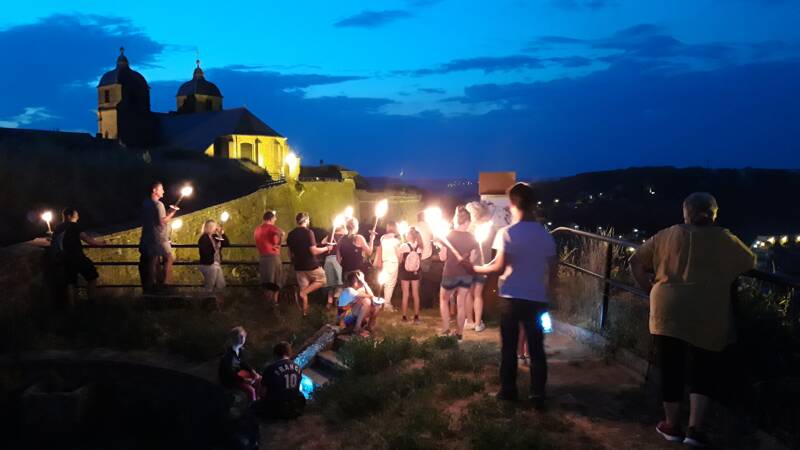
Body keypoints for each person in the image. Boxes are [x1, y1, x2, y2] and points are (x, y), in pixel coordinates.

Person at [630, 192, 755, 447]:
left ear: (685, 212)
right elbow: (749, 261)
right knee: (704, 368)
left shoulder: (666, 235)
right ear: (714, 214)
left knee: (671, 367)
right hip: (707, 312)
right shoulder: (724, 239)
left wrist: (649, 289)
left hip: (667, 308)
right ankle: (695, 430)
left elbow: (635, 261)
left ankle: (671, 425)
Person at [468, 183, 557, 408]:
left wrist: (476, 268)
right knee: (537, 348)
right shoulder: (545, 235)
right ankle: (537, 394)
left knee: (508, 347)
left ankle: (508, 391)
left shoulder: (507, 233)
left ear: (513, 204)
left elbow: (498, 267)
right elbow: (553, 272)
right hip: (537, 298)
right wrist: (550, 293)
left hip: (511, 297)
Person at [438, 206, 479, 340]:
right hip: (466, 275)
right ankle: (460, 334)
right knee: (461, 304)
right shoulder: (473, 238)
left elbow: (443, 257)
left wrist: (441, 251)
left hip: (450, 272)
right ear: (467, 222)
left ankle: (445, 329)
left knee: (444, 300)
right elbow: (472, 259)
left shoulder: (448, 235)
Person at [51, 208, 106, 304]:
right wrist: (101, 243)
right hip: (77, 257)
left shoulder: (58, 228)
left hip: (64, 259)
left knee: (71, 283)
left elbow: (54, 242)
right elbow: (88, 240)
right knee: (92, 277)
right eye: (76, 215)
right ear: (69, 216)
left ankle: (73, 308)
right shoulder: (74, 226)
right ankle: (92, 302)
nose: (78, 217)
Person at [286, 212, 332, 316]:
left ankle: (305, 313)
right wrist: (327, 248)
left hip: (298, 266)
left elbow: (289, 252)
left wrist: (293, 261)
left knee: (304, 287)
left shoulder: (291, 234)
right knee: (323, 279)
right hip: (310, 265)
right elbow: (314, 251)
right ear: (306, 220)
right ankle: (304, 293)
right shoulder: (308, 232)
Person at [138, 181, 177, 293]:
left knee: (153, 264)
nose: (163, 191)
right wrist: (172, 213)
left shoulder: (145, 203)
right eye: (161, 189)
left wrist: (167, 213)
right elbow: (161, 221)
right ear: (155, 190)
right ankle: (166, 284)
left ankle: (156, 287)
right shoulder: (158, 204)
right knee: (169, 258)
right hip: (159, 239)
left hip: (147, 239)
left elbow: (153, 219)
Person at [465, 201, 496, 332]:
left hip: (469, 266)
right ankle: (478, 323)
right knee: (478, 294)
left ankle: (470, 321)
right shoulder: (489, 228)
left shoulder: (469, 229)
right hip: (483, 265)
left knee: (468, 293)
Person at [258, 341, 306, 420]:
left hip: (275, 409)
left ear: (275, 354)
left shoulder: (271, 368)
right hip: (292, 408)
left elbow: (262, 393)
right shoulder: (298, 368)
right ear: (289, 353)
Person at [218, 326, 262, 402]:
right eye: (240, 337)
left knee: (260, 379)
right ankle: (252, 407)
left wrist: (252, 371)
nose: (243, 339)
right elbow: (229, 373)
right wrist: (244, 379)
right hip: (230, 379)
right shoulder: (228, 354)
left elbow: (243, 363)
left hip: (239, 374)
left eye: (244, 336)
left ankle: (257, 400)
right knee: (251, 390)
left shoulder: (239, 349)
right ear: (233, 338)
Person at [338, 270, 383, 336]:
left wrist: (364, 283)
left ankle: (369, 326)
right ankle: (357, 328)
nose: (363, 280)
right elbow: (371, 296)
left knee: (377, 305)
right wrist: (364, 282)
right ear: (356, 281)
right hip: (346, 319)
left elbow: (373, 298)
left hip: (353, 315)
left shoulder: (359, 289)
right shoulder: (350, 290)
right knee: (367, 301)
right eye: (361, 279)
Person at [255, 211, 284, 304]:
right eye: (274, 218)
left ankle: (267, 306)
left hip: (262, 258)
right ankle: (274, 303)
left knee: (266, 283)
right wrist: (278, 243)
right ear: (271, 219)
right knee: (276, 282)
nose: (275, 220)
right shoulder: (273, 228)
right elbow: (281, 234)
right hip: (273, 257)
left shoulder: (257, 229)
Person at [398, 227, 424, 324]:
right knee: (415, 294)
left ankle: (404, 317)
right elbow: (419, 260)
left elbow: (400, 260)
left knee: (405, 294)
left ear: (409, 235)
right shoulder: (420, 247)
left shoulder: (404, 246)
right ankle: (416, 316)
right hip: (415, 273)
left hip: (405, 272)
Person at [374, 221, 401, 312]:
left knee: (386, 284)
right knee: (391, 284)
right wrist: (401, 259)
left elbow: (380, 250)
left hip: (385, 262)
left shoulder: (383, 238)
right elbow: (398, 253)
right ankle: (387, 304)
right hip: (393, 262)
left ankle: (385, 302)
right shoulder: (396, 241)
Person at [198, 219, 229, 292]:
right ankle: (207, 300)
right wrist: (212, 262)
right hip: (208, 265)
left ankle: (216, 300)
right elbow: (205, 252)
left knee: (221, 285)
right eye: (214, 227)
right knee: (209, 286)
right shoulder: (204, 238)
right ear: (210, 227)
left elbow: (226, 243)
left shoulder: (214, 237)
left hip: (215, 264)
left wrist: (222, 233)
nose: (216, 228)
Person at [322, 226, 346, 309]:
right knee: (339, 282)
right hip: (337, 259)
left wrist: (331, 235)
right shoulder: (343, 236)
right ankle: (336, 300)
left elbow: (322, 242)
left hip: (328, 260)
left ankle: (330, 301)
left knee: (331, 282)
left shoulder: (330, 236)